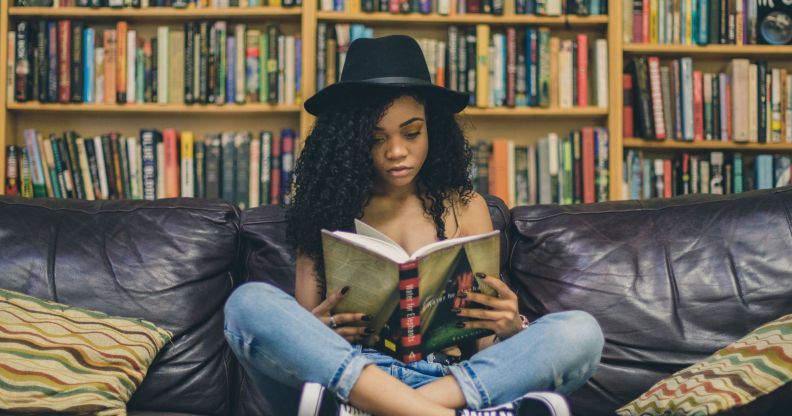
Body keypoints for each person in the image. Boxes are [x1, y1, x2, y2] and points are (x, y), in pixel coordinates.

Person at [223, 35, 604, 416]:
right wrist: (319, 328)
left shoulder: (467, 209)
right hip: (353, 377)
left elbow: (481, 343)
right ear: (352, 141)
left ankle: (396, 409)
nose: (397, 152)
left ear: (432, 129)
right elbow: (306, 342)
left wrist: (508, 328)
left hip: (450, 379)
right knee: (248, 304)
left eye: (411, 132)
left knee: (579, 333)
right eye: (376, 138)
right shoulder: (324, 211)